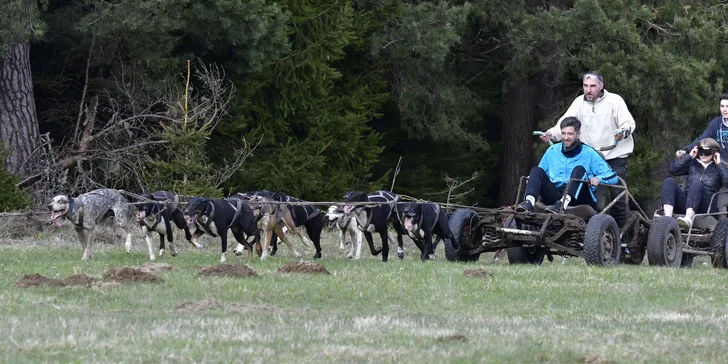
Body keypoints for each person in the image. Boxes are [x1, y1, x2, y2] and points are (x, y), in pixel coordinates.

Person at [540, 71, 635, 225]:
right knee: (578, 183)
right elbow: (565, 123)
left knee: (618, 195)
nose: (588, 90)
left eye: (592, 86)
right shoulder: (579, 103)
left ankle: (620, 236)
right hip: (590, 156)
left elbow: (628, 123)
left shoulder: (614, 101)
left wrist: (622, 132)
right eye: (585, 86)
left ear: (601, 86)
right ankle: (588, 226)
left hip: (614, 156)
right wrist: (551, 134)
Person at [517, 117, 619, 212]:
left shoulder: (589, 152)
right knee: (536, 170)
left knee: (579, 169)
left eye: (570, 134)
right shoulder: (552, 151)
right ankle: (529, 203)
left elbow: (613, 176)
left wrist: (598, 179)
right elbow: (541, 173)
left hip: (581, 198)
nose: (566, 137)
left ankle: (563, 204)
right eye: (563, 133)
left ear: (578, 134)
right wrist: (533, 178)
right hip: (555, 196)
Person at [661, 138, 728, 228]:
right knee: (669, 181)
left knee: (696, 184)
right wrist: (689, 156)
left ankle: (688, 218)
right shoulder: (693, 164)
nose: (703, 155)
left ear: (714, 153)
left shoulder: (719, 168)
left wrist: (719, 163)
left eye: (707, 152)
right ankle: (667, 218)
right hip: (688, 202)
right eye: (701, 151)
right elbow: (673, 170)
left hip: (706, 206)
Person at [676, 93, 728, 162]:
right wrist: (686, 150)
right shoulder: (716, 123)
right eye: (722, 106)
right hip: (721, 165)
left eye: (727, 106)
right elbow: (702, 139)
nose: (724, 109)